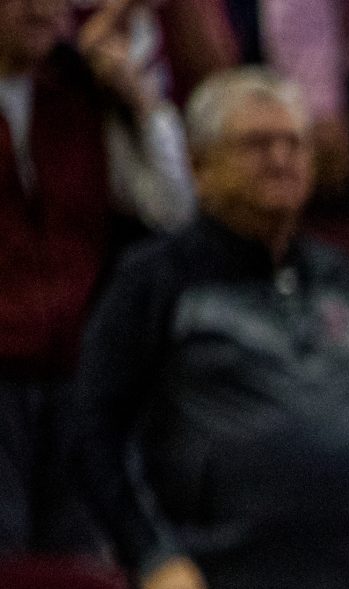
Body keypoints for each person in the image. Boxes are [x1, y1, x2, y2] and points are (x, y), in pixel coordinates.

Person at [71, 69, 349, 589]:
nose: (281, 158)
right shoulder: (152, 279)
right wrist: (152, 555)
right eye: (256, 144)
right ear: (198, 168)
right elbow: (95, 434)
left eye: (294, 143)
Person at [0, 0, 189, 558]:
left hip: (76, 374)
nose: (41, 9)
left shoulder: (80, 96)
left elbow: (169, 207)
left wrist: (139, 102)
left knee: (79, 575)